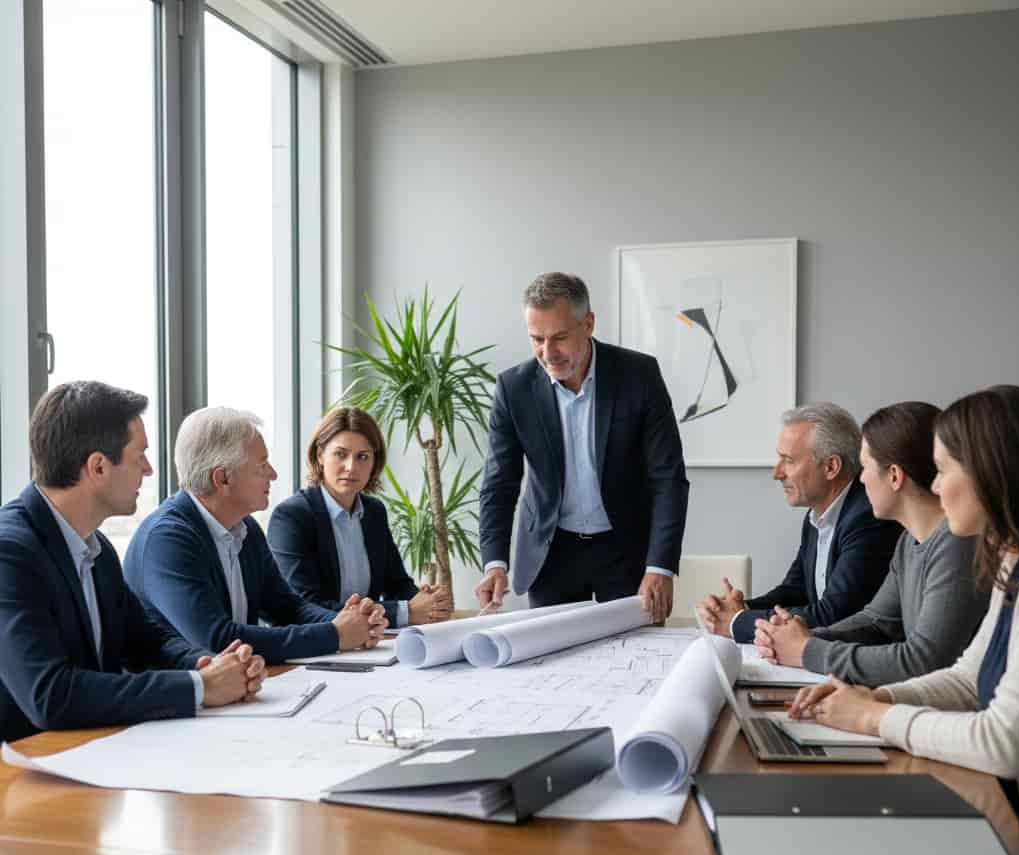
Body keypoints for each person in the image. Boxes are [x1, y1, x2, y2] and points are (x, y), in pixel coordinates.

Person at [789, 386, 1019, 818]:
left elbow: (1002, 743)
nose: (933, 485)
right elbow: (967, 679)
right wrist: (875, 697)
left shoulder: (968, 551)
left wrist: (871, 719)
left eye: (942, 470)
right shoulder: (1012, 562)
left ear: (990, 474)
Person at [0, 382, 265, 744]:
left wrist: (205, 664)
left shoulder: (96, 547)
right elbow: (51, 694)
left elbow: (145, 641)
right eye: (139, 454)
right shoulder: (9, 553)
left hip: (89, 756)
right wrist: (199, 687)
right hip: (22, 774)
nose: (149, 469)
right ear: (98, 467)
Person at [475, 272, 688, 621]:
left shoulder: (639, 375)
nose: (548, 353)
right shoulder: (513, 388)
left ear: (588, 324)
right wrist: (494, 562)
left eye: (559, 337)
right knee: (550, 669)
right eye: (536, 339)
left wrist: (660, 566)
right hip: (550, 554)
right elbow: (499, 483)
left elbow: (668, 478)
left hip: (625, 552)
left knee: (636, 664)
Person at [124, 407, 386, 665]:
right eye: (262, 465)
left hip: (238, 690)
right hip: (183, 700)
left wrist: (351, 620)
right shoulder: (167, 540)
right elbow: (217, 638)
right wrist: (335, 634)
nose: (273, 474)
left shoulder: (244, 527)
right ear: (223, 478)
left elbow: (287, 607)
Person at [753, 402, 987, 685]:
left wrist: (806, 649)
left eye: (864, 467)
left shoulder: (956, 544)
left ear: (894, 476)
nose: (860, 479)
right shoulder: (908, 542)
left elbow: (923, 660)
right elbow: (876, 621)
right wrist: (798, 638)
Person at [698, 403, 902, 644]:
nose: (777, 473)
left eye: (788, 460)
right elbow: (796, 591)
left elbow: (834, 613)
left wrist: (736, 621)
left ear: (830, 467)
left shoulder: (867, 517)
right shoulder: (816, 516)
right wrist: (740, 607)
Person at [268, 407, 453, 628]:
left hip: (368, 644)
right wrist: (405, 612)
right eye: (340, 454)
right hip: (315, 647)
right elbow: (304, 605)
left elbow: (397, 584)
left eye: (362, 457)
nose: (351, 467)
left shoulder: (374, 511)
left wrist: (427, 602)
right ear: (320, 456)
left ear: (375, 461)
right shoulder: (291, 516)